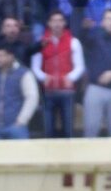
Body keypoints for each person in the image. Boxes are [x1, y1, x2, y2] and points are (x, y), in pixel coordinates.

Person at [31, 10, 85, 138]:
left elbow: (80, 66)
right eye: (54, 21)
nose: (57, 24)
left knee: (68, 131)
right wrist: (44, 77)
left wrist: (70, 78)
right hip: (48, 91)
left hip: (67, 91)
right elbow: (35, 67)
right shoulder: (40, 42)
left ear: (64, 23)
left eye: (60, 20)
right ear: (49, 23)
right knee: (48, 130)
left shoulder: (74, 42)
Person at [81, 9, 111, 137]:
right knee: (91, 131)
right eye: (108, 19)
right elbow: (81, 39)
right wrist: (85, 29)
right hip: (95, 89)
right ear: (102, 22)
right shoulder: (93, 39)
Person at [0, 42, 38, 139]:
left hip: (17, 128)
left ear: (11, 56)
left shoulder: (24, 74)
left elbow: (32, 98)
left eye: (1, 56)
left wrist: (21, 121)